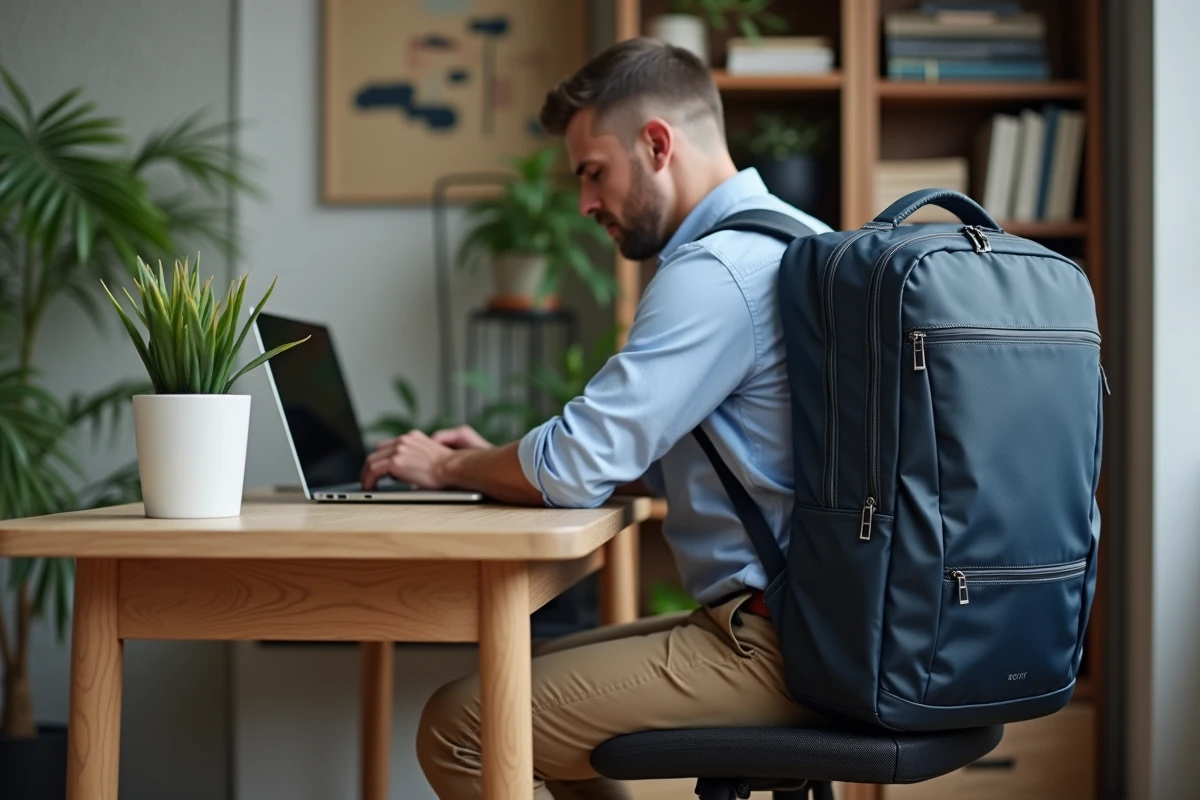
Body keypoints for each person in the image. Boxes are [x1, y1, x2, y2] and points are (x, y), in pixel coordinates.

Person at [360, 36, 833, 800]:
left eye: (592, 171)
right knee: (530, 681)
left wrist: (446, 466)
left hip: (777, 643)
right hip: (823, 624)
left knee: (464, 726)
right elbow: (697, 459)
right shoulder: (801, 236)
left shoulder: (716, 271)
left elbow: (576, 467)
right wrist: (499, 463)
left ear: (657, 145)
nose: (584, 203)